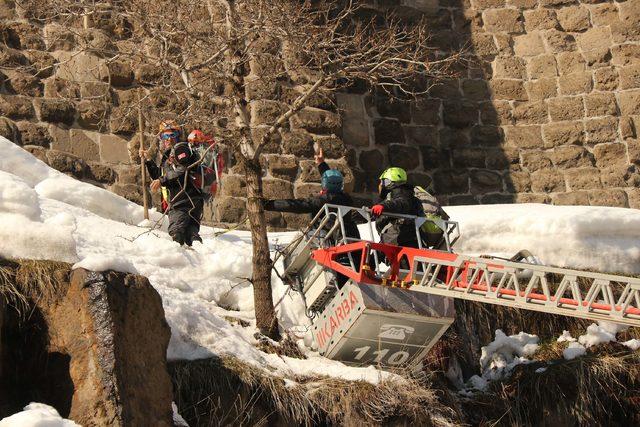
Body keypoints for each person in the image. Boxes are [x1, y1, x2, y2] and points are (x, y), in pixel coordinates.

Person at [263, 149, 359, 241]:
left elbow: (295, 205)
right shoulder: (347, 199)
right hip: (350, 237)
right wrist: (322, 164)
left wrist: (269, 204)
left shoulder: (322, 201)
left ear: (324, 184)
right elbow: (332, 181)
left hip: (329, 240)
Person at [140, 119, 204, 246]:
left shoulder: (181, 148)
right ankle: (197, 259)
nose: (168, 139)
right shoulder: (169, 155)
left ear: (178, 136)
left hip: (184, 200)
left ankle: (177, 258)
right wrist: (148, 160)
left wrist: (161, 180)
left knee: (176, 231)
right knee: (191, 234)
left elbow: (183, 169)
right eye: (165, 135)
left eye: (172, 135)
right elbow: (160, 176)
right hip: (190, 201)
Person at [370, 167, 424, 249]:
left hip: (403, 241)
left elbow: (401, 203)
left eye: (382, 181)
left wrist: (383, 206)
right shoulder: (395, 195)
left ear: (388, 182)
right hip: (397, 240)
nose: (380, 185)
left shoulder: (400, 192)